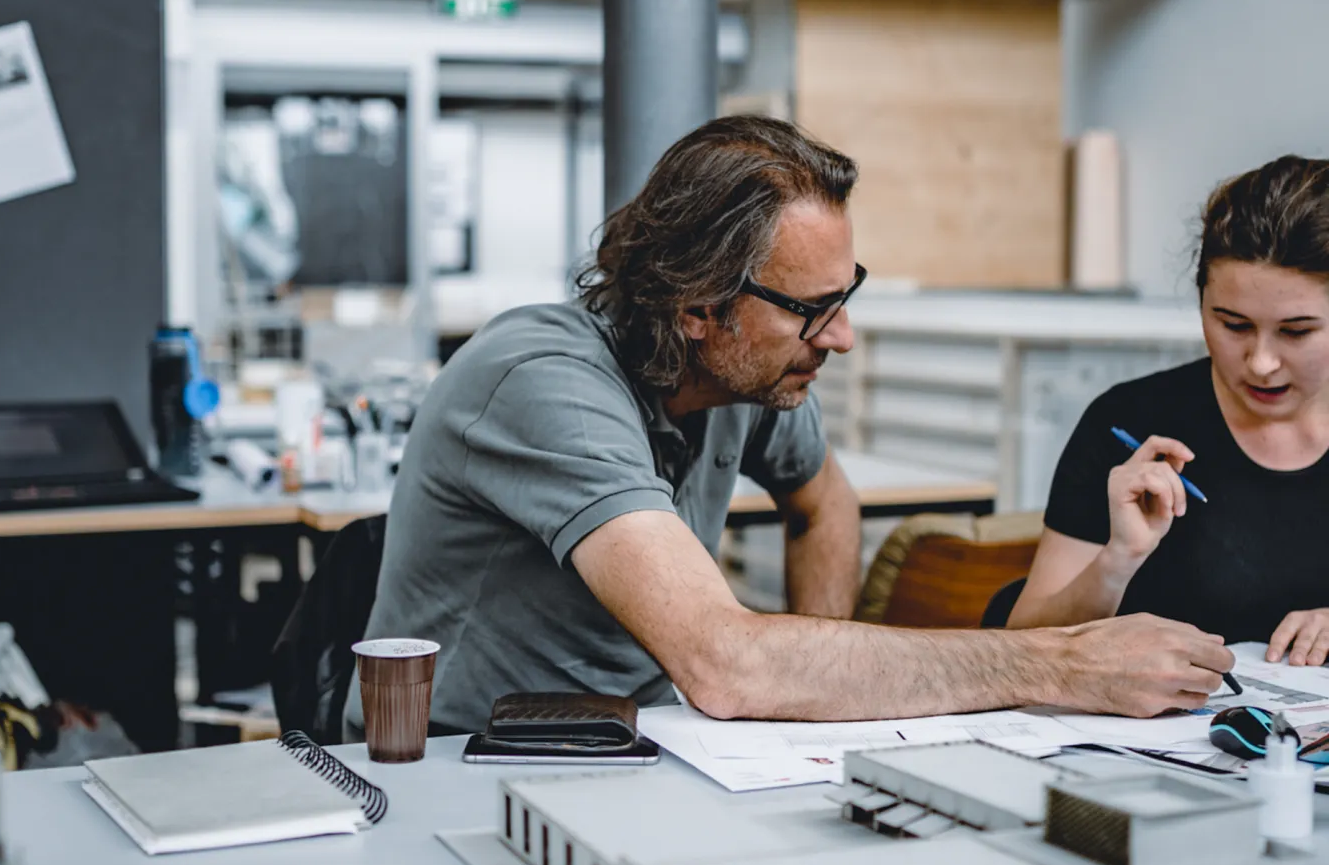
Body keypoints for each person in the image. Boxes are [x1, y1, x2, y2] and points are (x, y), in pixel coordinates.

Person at [348, 116, 1230, 739]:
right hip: (459, 764)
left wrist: (808, 715)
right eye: (813, 310)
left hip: (644, 743)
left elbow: (825, 506)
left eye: (845, 299)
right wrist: (1057, 664)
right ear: (699, 306)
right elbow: (729, 666)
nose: (840, 337)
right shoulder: (542, 382)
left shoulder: (753, 377)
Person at [1011, 155, 1329, 667]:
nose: (1262, 363)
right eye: (1233, 325)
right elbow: (1019, 643)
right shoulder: (1131, 420)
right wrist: (1118, 560)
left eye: (1296, 332)